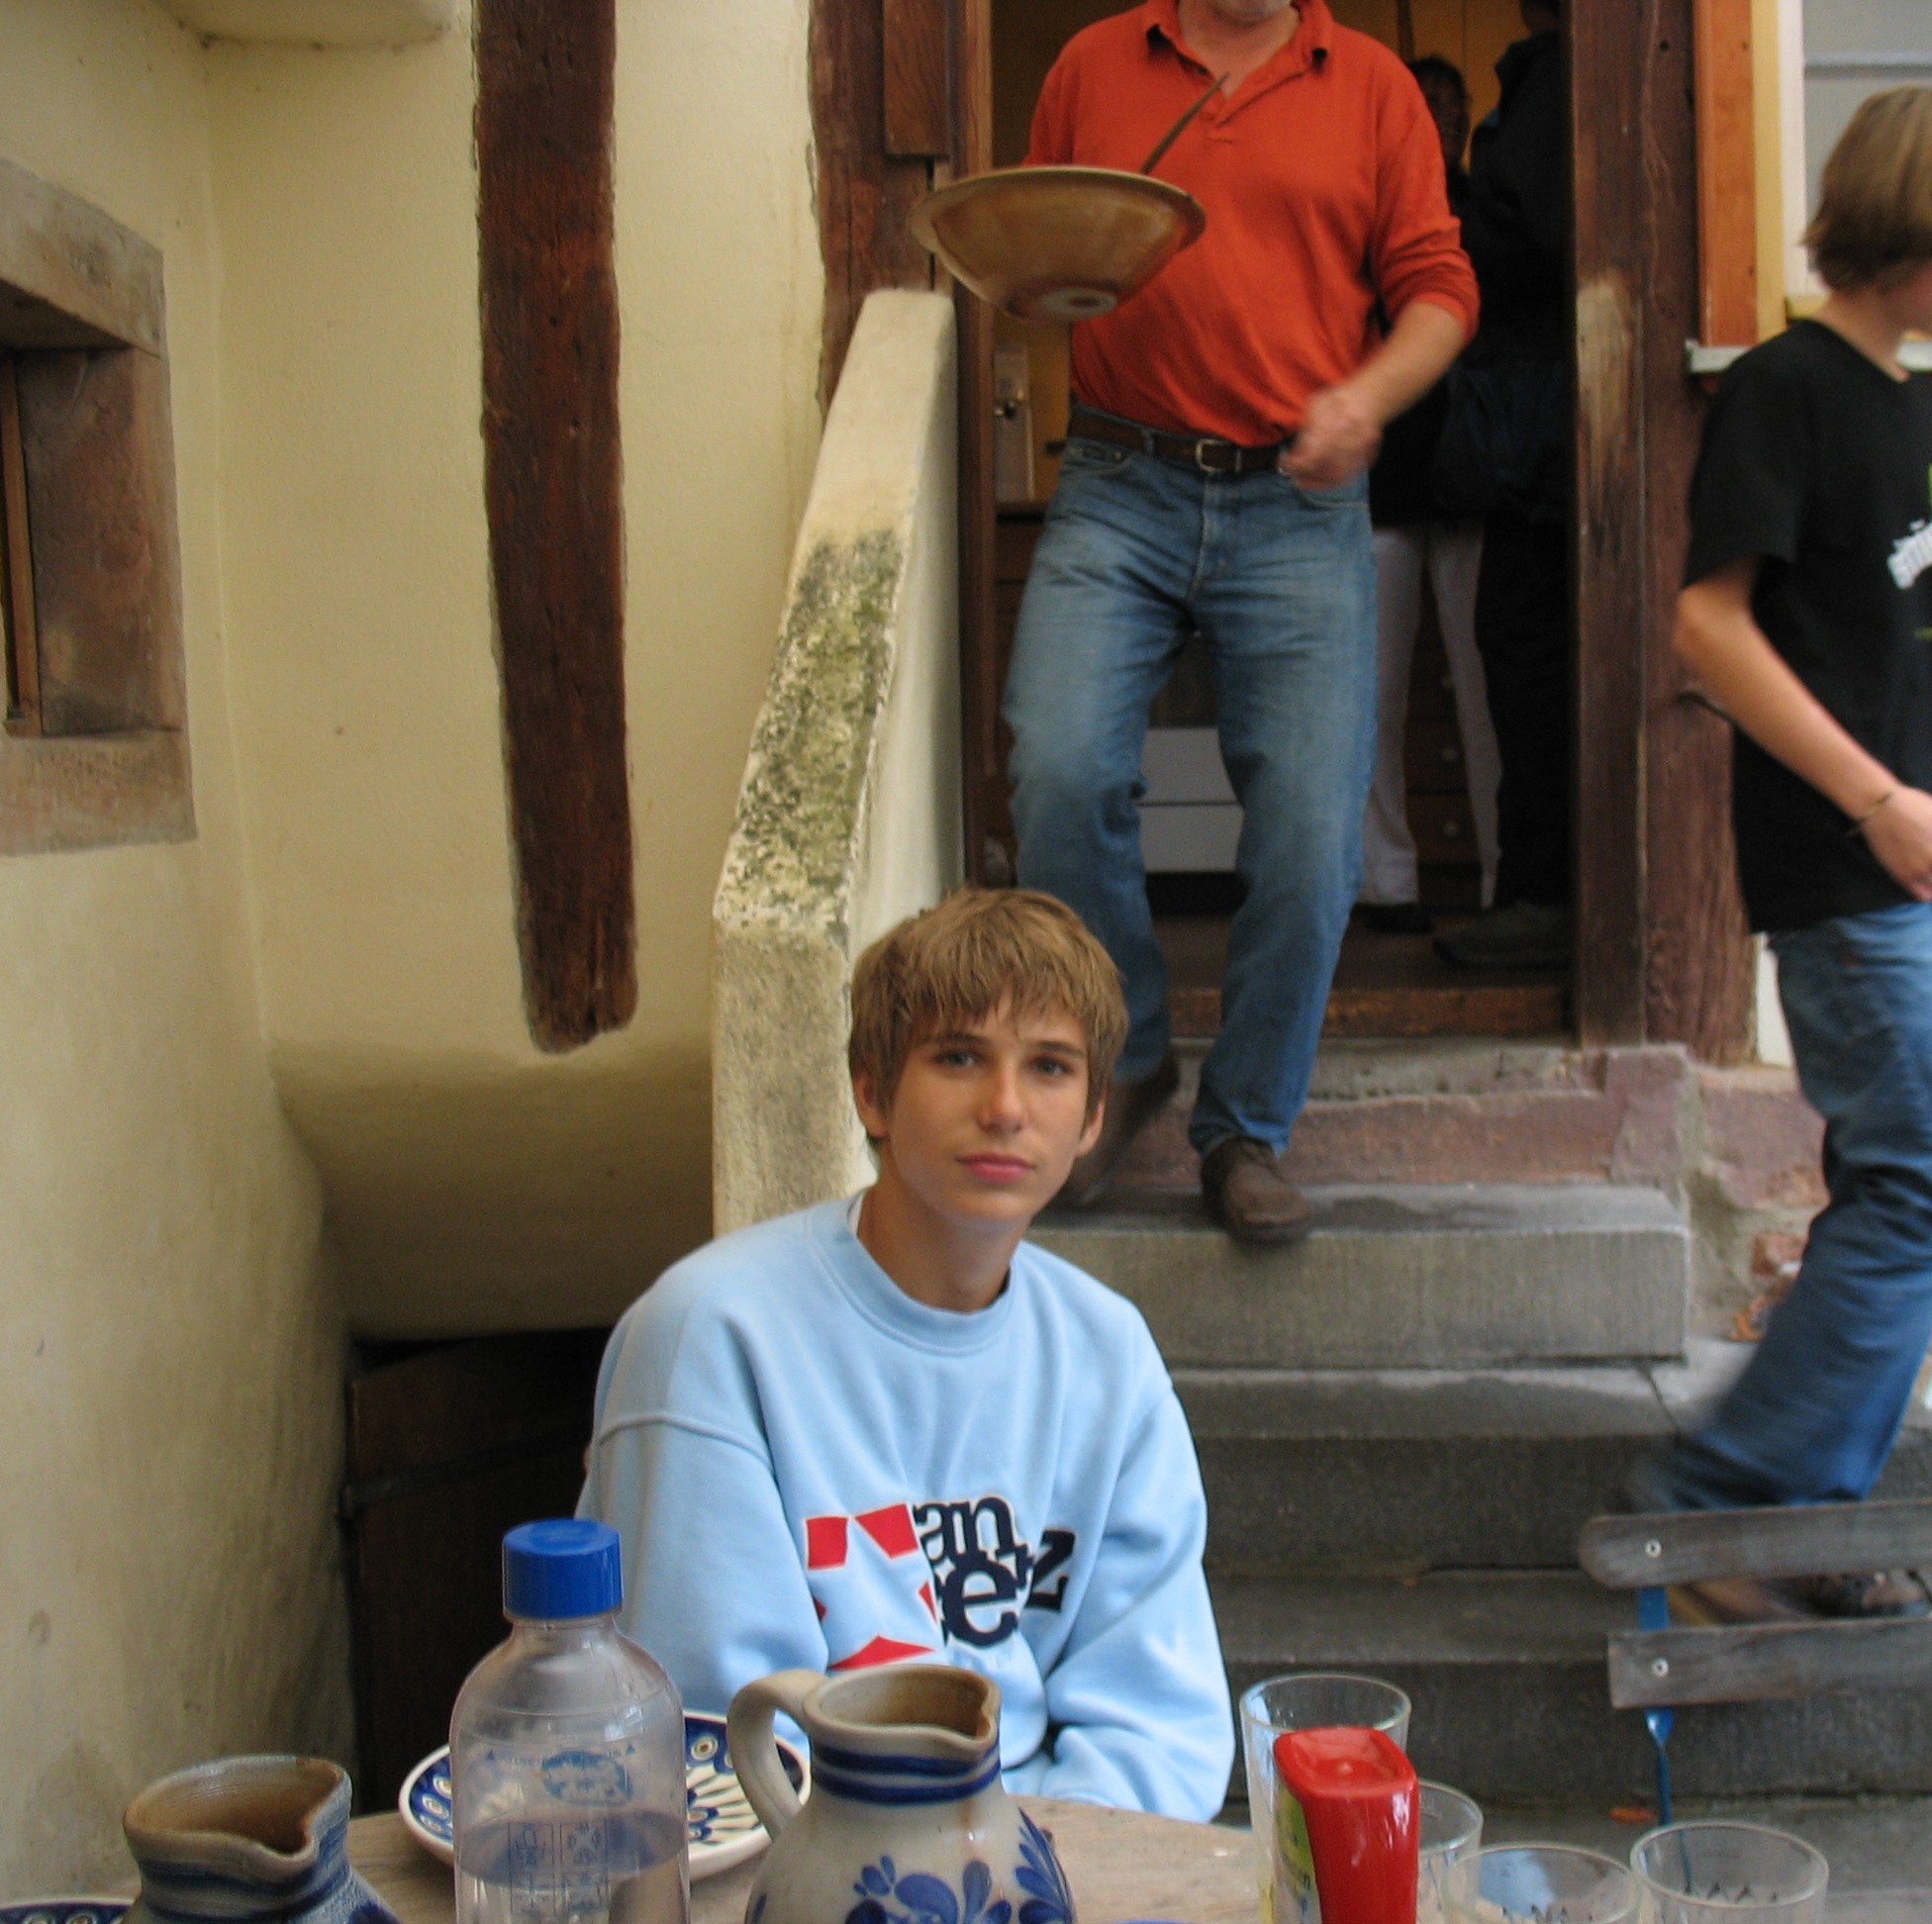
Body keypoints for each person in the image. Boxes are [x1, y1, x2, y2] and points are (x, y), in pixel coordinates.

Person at [1643, 88, 1932, 1622]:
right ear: (1895, 231)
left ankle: (1809, 1516)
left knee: (1889, 1195)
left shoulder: (1915, 407)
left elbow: (1927, 644)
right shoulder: (1782, 390)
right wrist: (1874, 803)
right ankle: (1717, 1512)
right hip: (1850, 875)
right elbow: (1709, 629)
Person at [576, 890, 1234, 1818]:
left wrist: (1024, 1873)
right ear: (871, 1092)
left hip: (1054, 1862)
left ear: (1093, 1117)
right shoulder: (711, 1335)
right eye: (959, 1057)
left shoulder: (1109, 1353)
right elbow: (724, 1742)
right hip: (798, 1864)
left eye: (1050, 1067)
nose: (1005, 1108)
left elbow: (1159, 1729)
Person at [1006, 0, 1479, 1245]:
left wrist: (1368, 400)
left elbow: (1440, 289)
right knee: (1058, 770)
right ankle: (1129, 1056)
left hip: (1299, 503)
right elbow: (1038, 254)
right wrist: (1034, 279)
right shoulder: (1092, 64)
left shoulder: (1370, 86)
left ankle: (1247, 1129)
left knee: (1315, 839)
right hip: (1119, 481)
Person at [1432, 0, 1573, 972]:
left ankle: (1542, 897)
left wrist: (1470, 248)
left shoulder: (1559, 86)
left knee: (1529, 659)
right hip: (1535, 436)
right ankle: (1531, 891)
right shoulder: (1543, 85)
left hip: (1545, 437)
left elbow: (1542, 243)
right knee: (1520, 656)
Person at [1358, 55, 1500, 932]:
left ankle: (1498, 877)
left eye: (1452, 105)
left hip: (1470, 483)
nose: (1440, 118)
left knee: (1485, 697)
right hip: (1379, 482)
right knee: (1370, 697)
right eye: (1425, 105)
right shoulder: (1364, 209)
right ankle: (1386, 882)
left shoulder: (1487, 213)